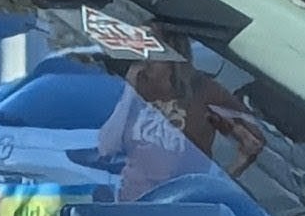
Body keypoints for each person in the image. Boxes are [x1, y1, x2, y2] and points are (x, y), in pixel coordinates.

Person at [90, 47, 269, 203]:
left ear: (173, 59)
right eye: (142, 54)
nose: (145, 62)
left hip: (173, 203)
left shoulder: (204, 93)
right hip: (132, 200)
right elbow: (106, 147)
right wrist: (130, 91)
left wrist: (235, 167)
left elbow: (252, 140)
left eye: (152, 54)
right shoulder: (137, 87)